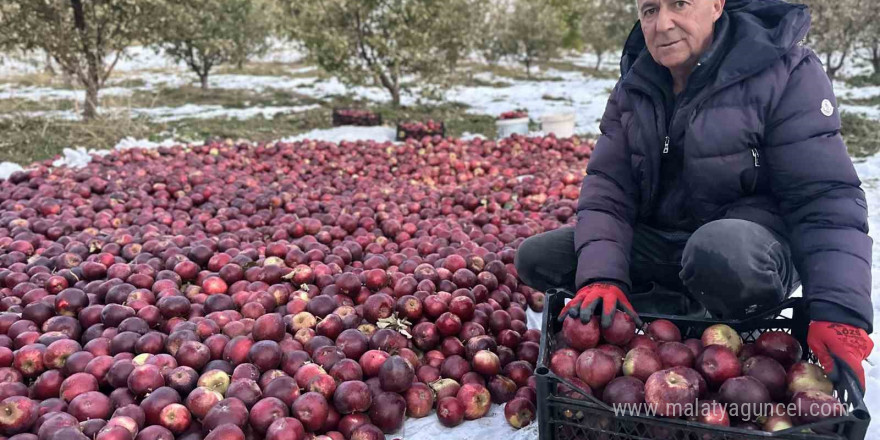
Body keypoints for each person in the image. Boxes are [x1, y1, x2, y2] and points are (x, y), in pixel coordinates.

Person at [515, 0, 874, 391]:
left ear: (717, 4)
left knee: (718, 251)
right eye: (650, 9)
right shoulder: (636, 84)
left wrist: (838, 310)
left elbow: (823, 197)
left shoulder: (785, 72)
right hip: (666, 246)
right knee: (539, 258)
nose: (663, 23)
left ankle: (706, 316)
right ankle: (672, 321)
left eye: (680, 4)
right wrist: (602, 276)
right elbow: (608, 190)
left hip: (747, 250)